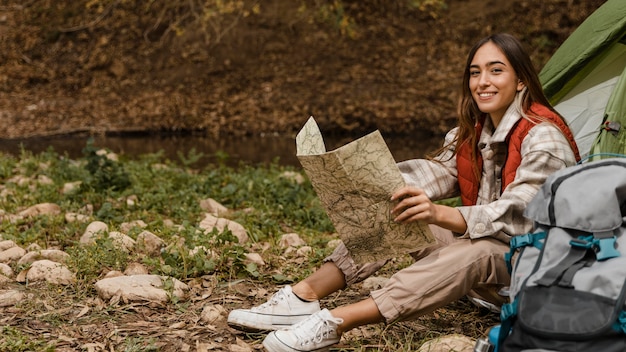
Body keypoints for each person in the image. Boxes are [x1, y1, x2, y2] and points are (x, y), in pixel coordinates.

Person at [227, 33, 580, 352]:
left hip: (536, 273)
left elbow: (520, 214)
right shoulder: (474, 132)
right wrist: (364, 181)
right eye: (475, 72)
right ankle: (304, 297)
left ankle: (336, 322)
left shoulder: (544, 137)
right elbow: (432, 173)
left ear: (520, 81)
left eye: (495, 71)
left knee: (478, 250)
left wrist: (440, 214)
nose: (482, 82)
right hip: (492, 272)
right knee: (397, 206)